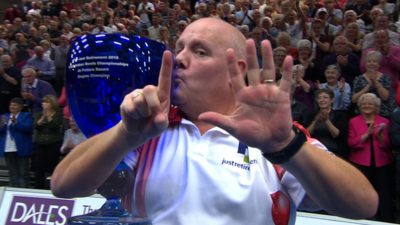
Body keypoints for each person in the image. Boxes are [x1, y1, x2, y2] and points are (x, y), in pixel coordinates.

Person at [51, 18, 378, 224]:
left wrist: (284, 146)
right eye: (178, 47)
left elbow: (364, 205)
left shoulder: (275, 139)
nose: (179, 58)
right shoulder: (150, 129)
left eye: (200, 51)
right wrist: (125, 133)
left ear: (235, 69)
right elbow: (63, 186)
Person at [348, 93, 395, 223]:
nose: (367, 106)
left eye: (370, 104)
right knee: (362, 193)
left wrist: (379, 136)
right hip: (361, 162)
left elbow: (388, 145)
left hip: (382, 162)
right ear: (360, 106)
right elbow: (351, 143)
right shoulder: (354, 121)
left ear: (376, 107)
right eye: (364, 104)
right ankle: (362, 219)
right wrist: (366, 135)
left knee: (384, 194)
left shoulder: (385, 122)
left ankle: (386, 220)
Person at [0, 98, 34, 188]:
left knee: (23, 173)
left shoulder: (26, 116)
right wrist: (2, 126)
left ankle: (24, 191)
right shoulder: (4, 116)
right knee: (12, 173)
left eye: (14, 105)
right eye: (11, 105)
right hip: (8, 147)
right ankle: (12, 190)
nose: (12, 107)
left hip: (22, 148)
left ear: (20, 107)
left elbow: (27, 128)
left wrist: (16, 122)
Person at [307, 89, 348, 158]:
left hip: (334, 153)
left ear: (332, 100)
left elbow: (337, 135)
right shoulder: (312, 116)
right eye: (319, 98)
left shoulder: (340, 116)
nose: (322, 100)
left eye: (325, 97)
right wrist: (315, 122)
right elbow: (307, 134)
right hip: (314, 153)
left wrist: (327, 121)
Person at [34, 94, 63, 189]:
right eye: (43, 102)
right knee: (39, 167)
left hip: (53, 143)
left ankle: (51, 187)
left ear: (52, 103)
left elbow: (54, 126)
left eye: (47, 102)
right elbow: (36, 127)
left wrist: (49, 117)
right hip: (40, 144)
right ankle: (38, 187)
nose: (44, 104)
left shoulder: (58, 115)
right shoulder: (38, 114)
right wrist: (43, 116)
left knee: (52, 166)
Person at [353, 51, 391, 118]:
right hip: (362, 115)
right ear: (365, 64)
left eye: (374, 61)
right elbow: (354, 100)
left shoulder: (386, 77)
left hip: (382, 114)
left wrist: (375, 81)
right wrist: (367, 87)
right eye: (369, 61)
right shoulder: (358, 79)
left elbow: (385, 97)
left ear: (379, 64)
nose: (371, 64)